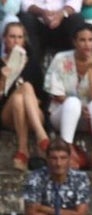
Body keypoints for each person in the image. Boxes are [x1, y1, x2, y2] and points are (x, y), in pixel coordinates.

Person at [45, 23, 92, 170]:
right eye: (82, 40)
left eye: (90, 40)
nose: (87, 44)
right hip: (61, 113)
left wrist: (91, 71)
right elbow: (56, 92)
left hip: (87, 118)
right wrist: (80, 107)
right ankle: (66, 151)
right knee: (73, 102)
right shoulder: (61, 59)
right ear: (74, 42)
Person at [2, 21, 50, 171]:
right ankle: (41, 135)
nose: (16, 41)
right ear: (5, 39)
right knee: (23, 90)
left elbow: (44, 96)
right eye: (12, 37)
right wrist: (2, 80)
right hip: (8, 114)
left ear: (24, 40)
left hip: (33, 112)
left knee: (21, 95)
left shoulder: (32, 64)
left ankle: (22, 150)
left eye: (19, 37)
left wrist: (33, 100)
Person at [22, 137, 89, 215]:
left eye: (63, 158)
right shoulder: (35, 177)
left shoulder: (80, 178)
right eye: (54, 158)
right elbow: (31, 214)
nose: (58, 163)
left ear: (69, 159)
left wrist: (42, 208)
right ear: (47, 159)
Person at [17, 0, 85, 80]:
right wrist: (42, 13)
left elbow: (75, 3)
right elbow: (25, 4)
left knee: (76, 19)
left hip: (63, 18)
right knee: (26, 19)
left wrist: (61, 14)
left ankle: (76, 73)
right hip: (37, 19)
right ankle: (33, 78)